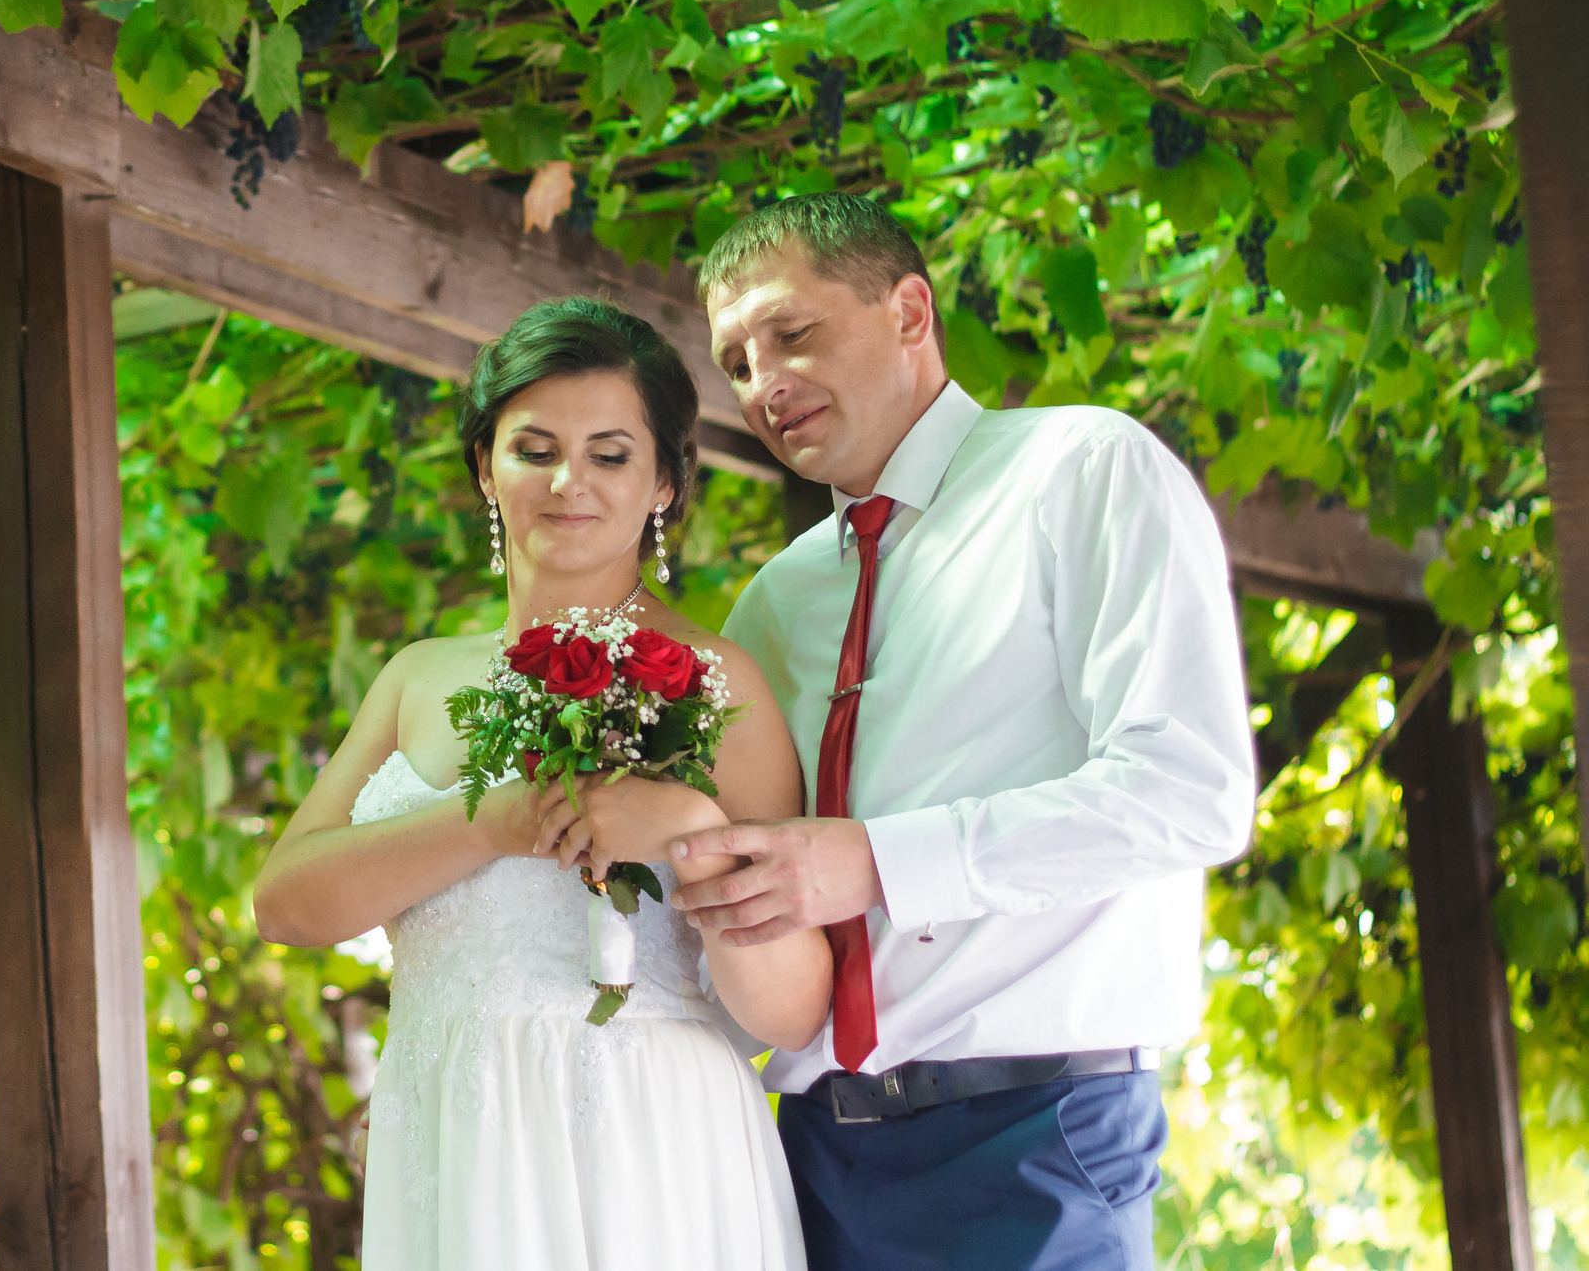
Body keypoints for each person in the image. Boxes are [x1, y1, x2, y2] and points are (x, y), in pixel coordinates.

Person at [666, 192, 1256, 1270]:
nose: (764, 385)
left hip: (1035, 1137)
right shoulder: (770, 607)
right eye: (736, 362)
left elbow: (1190, 788)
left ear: (907, 311)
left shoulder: (1083, 470)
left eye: (791, 333)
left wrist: (877, 861)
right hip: (809, 1164)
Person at [253, 296, 827, 1271]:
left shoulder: (719, 681)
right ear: (486, 465)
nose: (569, 482)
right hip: (456, 1123)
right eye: (533, 448)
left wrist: (690, 831)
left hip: (651, 1138)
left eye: (609, 454)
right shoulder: (417, 676)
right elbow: (285, 903)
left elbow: (792, 1009)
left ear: (662, 483)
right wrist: (493, 823)